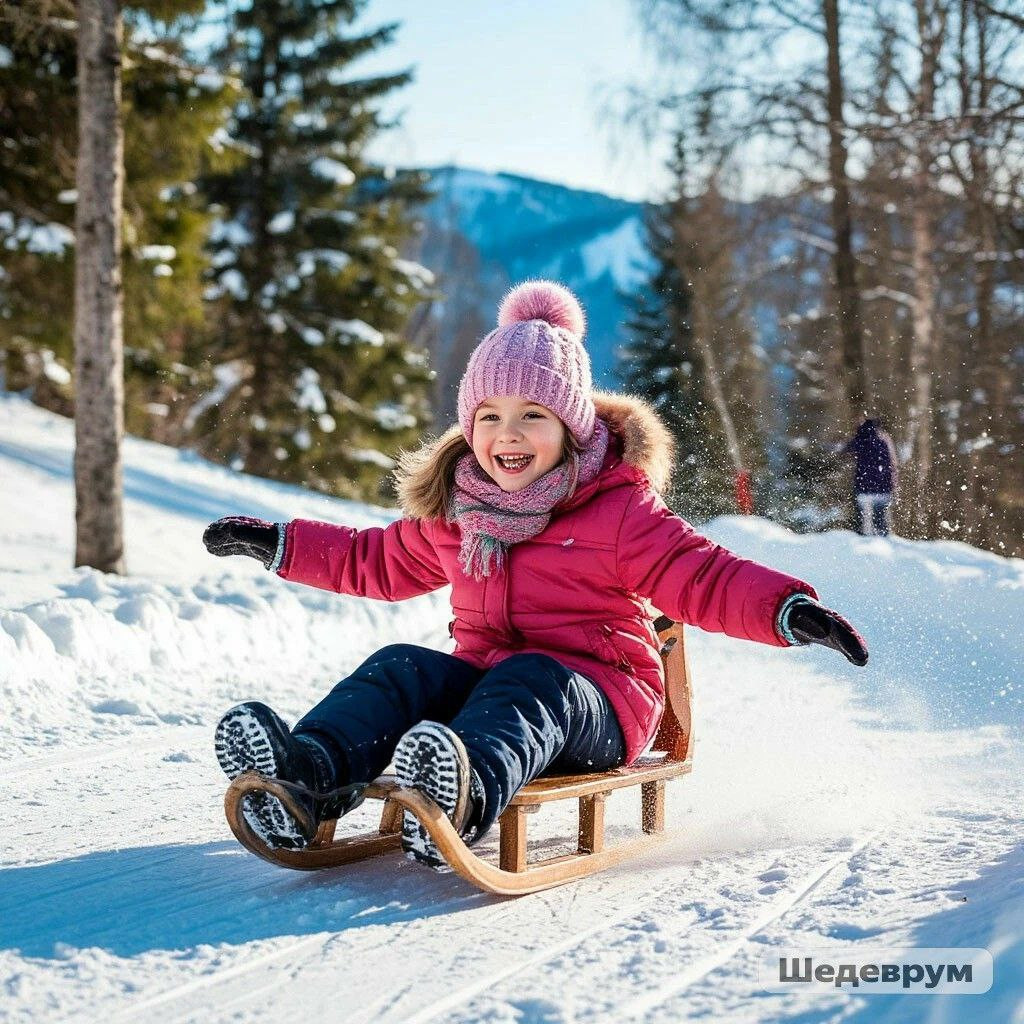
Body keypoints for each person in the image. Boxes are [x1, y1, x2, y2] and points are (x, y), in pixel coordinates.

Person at [204, 280, 869, 871]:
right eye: (489, 417)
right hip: (486, 693)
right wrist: (277, 543)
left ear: (572, 426)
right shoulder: (461, 510)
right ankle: (305, 778)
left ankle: (458, 799)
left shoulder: (618, 509)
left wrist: (789, 609)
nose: (507, 434)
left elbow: (701, 575)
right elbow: (372, 559)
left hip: (600, 702)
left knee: (533, 676)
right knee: (402, 665)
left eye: (532, 415)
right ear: (469, 428)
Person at [842, 418, 898, 537]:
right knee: (881, 520)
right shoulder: (884, 439)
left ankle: (865, 543)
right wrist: (893, 484)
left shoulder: (860, 439)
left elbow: (845, 452)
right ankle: (883, 544)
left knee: (863, 521)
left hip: (863, 489)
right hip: (883, 488)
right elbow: (892, 464)